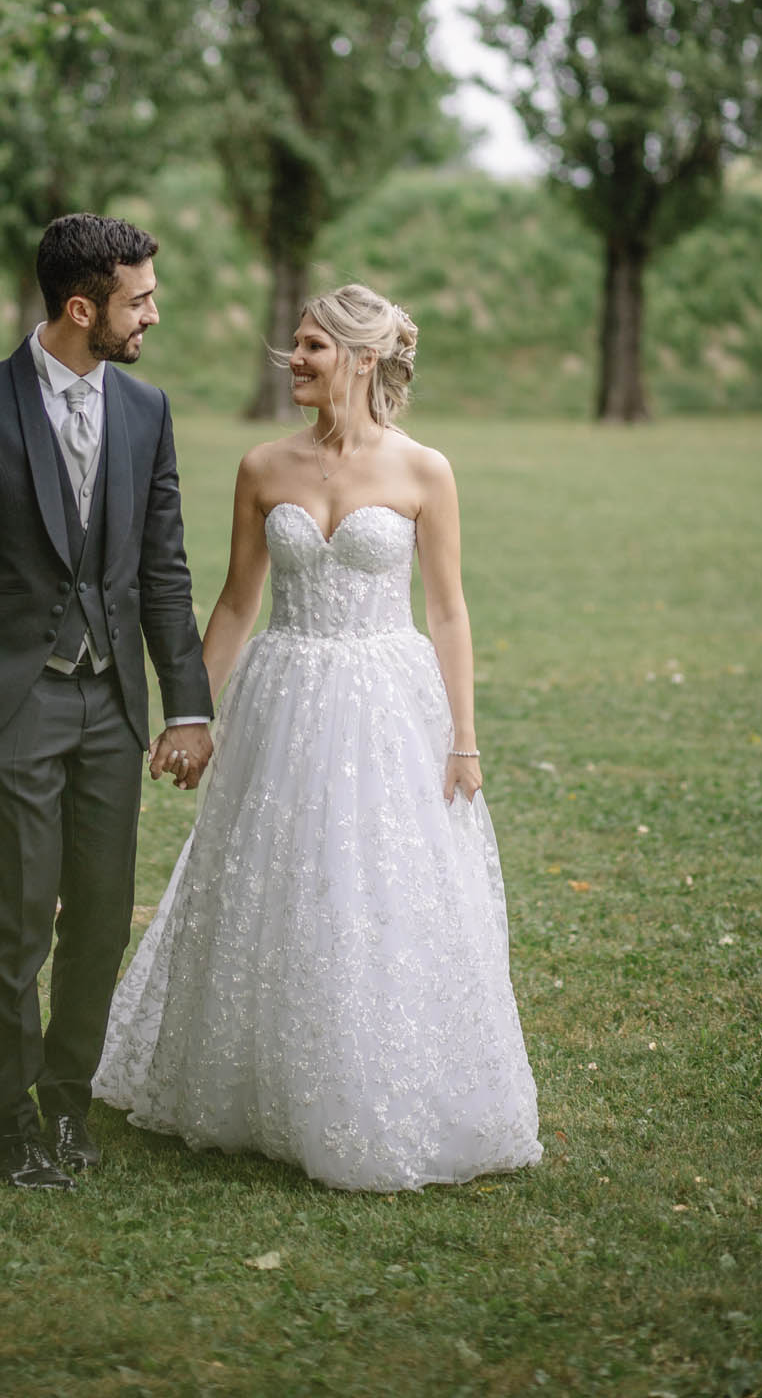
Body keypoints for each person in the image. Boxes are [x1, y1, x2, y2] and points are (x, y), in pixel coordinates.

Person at [94, 284, 543, 1192]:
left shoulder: (424, 471)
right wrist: (191, 713)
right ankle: (259, 1083)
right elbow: (233, 601)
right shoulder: (263, 466)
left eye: (311, 348)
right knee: (274, 878)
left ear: (364, 358)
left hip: (387, 701)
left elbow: (448, 612)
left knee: (379, 884)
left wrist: (463, 737)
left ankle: (381, 1080)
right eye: (293, 345)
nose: (291, 360)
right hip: (285, 694)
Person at [0, 214, 214, 1191]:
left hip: (111, 704)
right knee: (19, 914)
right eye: (140, 299)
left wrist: (188, 704)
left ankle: (69, 1100)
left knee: (100, 916)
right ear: (82, 307)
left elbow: (163, 568)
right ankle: (9, 1115)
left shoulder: (144, 410)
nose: (153, 314)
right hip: (14, 699)